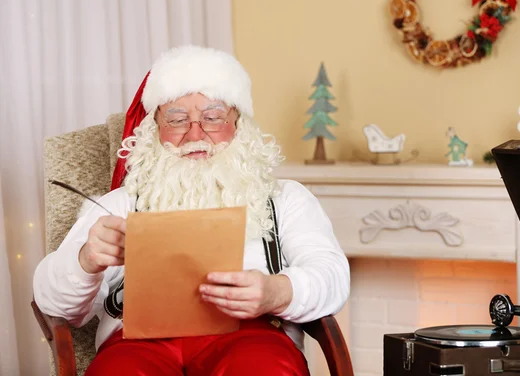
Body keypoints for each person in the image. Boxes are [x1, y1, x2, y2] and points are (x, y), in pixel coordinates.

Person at [33, 45, 350, 376]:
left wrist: (277, 292)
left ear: (239, 124)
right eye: (177, 119)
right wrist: (86, 261)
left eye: (213, 117)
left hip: (251, 336)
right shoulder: (119, 204)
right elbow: (51, 302)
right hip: (137, 343)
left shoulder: (286, 199)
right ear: (155, 128)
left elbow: (334, 277)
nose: (195, 134)